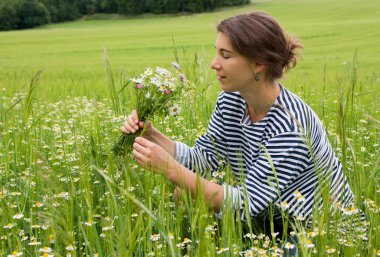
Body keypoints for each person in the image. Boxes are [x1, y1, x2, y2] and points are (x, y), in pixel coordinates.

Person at [121, 11, 356, 255]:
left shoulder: (291, 126)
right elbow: (204, 159)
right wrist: (152, 135)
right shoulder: (231, 100)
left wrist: (170, 168)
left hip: (317, 231)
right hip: (270, 217)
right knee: (186, 193)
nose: (214, 63)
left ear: (258, 63)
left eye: (226, 55)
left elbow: (245, 204)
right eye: (217, 52)